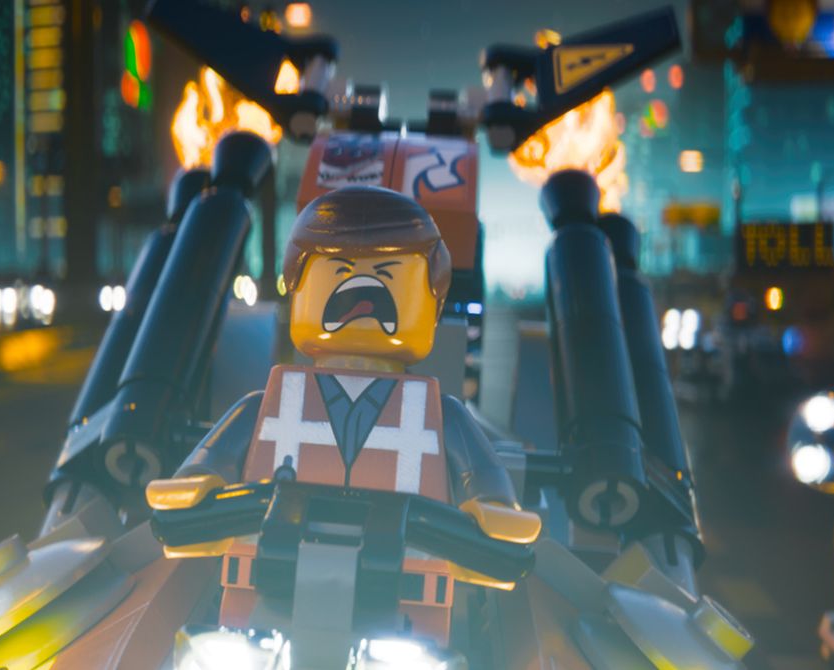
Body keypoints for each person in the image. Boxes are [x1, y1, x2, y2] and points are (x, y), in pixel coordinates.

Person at [142, 185, 538, 634]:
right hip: (261, 586)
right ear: (297, 291)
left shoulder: (440, 416)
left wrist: (492, 506)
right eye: (339, 271)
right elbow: (211, 459)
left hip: (410, 600)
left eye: (389, 274)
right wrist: (198, 482)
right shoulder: (268, 405)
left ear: (434, 301)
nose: (362, 291)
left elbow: (481, 475)